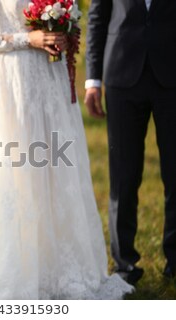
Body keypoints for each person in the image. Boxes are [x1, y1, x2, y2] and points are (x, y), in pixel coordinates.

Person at [0, 0, 133, 299]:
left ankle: (60, 269)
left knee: (58, 171)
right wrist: (27, 39)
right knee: (18, 171)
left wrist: (62, 32)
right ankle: (17, 268)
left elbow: (72, 20)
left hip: (50, 80)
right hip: (13, 82)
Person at [85, 0, 176, 285]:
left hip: (172, 78)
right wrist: (92, 81)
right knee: (123, 177)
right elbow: (97, 19)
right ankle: (125, 265)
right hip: (121, 77)